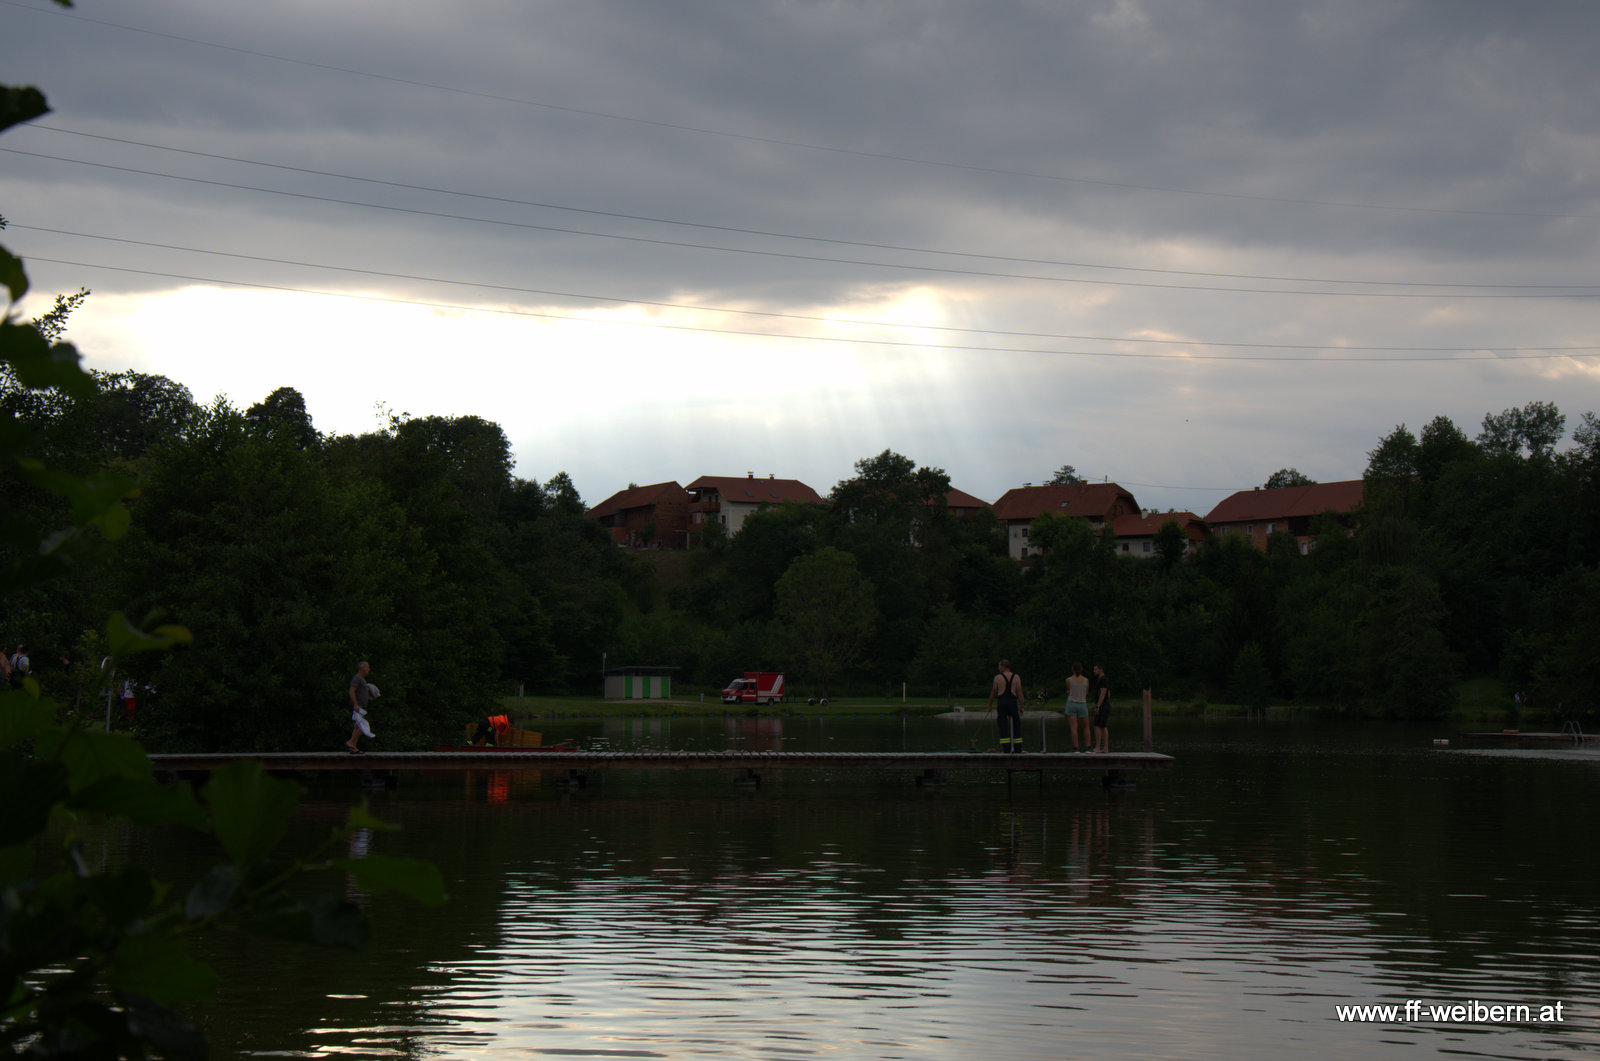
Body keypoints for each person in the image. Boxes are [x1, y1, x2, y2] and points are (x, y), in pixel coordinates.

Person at [988, 659, 1025, 753]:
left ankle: (1006, 749)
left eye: (999, 666)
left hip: (1002, 703)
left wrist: (990, 704)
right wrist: (1021, 706)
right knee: (1016, 726)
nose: (998, 668)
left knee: (1003, 726)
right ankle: (1018, 749)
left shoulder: (997, 678)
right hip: (1012, 703)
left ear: (1004, 666)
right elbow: (1020, 692)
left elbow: (993, 692)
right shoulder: (1016, 677)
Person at [346, 661, 374, 753]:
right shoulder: (357, 678)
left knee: (357, 726)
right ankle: (350, 742)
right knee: (362, 726)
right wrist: (356, 704)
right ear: (362, 668)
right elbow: (351, 691)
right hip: (358, 706)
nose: (368, 669)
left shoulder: (362, 680)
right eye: (367, 667)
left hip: (361, 706)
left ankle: (353, 747)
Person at [1064, 663, 1091, 751]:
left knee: (1073, 727)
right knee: (1086, 727)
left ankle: (1076, 748)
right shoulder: (1086, 680)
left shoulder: (1068, 680)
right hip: (1082, 703)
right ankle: (1088, 747)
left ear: (1072, 670)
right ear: (1081, 669)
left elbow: (1068, 690)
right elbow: (1086, 693)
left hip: (1072, 703)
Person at [1091, 663, 1111, 753]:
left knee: (1099, 725)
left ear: (1101, 669)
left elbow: (1103, 693)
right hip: (1104, 703)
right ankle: (1104, 747)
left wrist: (1098, 706)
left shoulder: (1104, 680)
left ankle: (1099, 747)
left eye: (1095, 669)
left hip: (1103, 704)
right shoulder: (1099, 679)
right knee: (1100, 725)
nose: (1094, 671)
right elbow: (1109, 693)